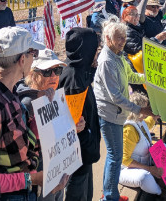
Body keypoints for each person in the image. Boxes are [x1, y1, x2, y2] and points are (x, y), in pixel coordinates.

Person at [0, 27, 66, 200]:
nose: (34, 58)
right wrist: (34, 179)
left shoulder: (7, 93)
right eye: (32, 53)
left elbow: (17, 145)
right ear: (22, 59)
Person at [94, 18, 155, 201]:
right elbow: (116, 97)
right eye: (118, 38)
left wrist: (149, 78)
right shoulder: (106, 60)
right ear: (107, 38)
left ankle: (109, 193)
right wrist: (139, 110)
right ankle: (110, 197)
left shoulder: (119, 55)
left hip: (117, 113)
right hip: (110, 114)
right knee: (115, 156)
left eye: (123, 37)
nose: (122, 41)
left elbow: (131, 76)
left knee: (113, 155)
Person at [15, 48, 75, 201]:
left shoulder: (55, 94)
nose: (54, 76)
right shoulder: (27, 103)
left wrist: (74, 127)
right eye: (47, 72)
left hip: (56, 164)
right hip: (39, 170)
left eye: (57, 70)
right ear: (33, 75)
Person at [58, 28, 101, 201]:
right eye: (94, 51)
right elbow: (75, 123)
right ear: (86, 51)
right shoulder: (73, 79)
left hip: (85, 153)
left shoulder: (79, 71)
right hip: (78, 158)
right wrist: (88, 141)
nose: (96, 55)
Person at [119, 92, 165, 198]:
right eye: (145, 109)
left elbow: (147, 124)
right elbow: (125, 160)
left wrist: (154, 117)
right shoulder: (129, 130)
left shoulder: (139, 120)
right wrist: (149, 169)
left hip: (142, 163)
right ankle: (160, 192)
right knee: (145, 177)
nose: (147, 112)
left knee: (163, 148)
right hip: (126, 170)